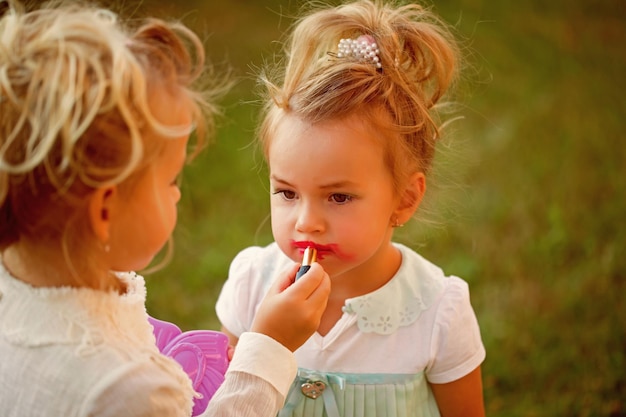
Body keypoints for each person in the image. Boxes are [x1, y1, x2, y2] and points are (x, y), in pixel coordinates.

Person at [0, 1, 330, 416]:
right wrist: (269, 347)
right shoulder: (126, 391)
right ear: (105, 209)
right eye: (171, 180)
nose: (177, 194)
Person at [216, 0, 486, 416]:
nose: (307, 223)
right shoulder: (252, 285)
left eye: (338, 197)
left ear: (404, 199)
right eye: (287, 193)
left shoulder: (437, 313)